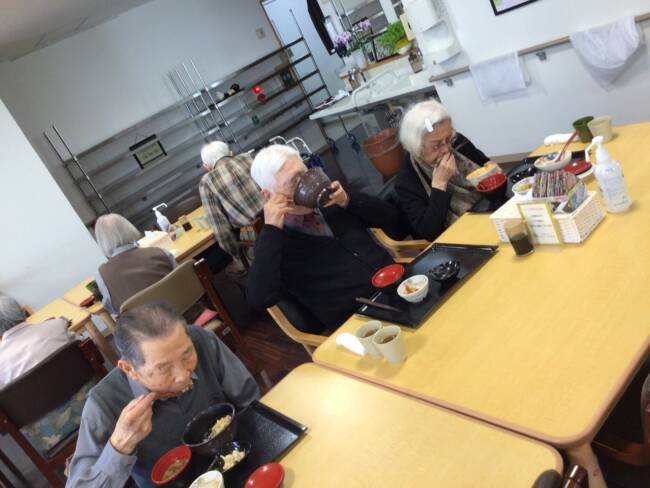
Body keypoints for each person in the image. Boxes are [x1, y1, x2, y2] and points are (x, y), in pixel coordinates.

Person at [67, 303, 259, 488]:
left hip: (238, 458)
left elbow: (251, 402)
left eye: (187, 355)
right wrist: (120, 446)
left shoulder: (200, 339)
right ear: (130, 369)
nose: (183, 376)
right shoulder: (103, 404)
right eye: (164, 368)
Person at [246, 144, 402, 332]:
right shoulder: (276, 241)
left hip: (397, 283)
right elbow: (260, 298)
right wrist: (271, 230)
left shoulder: (332, 201)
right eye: (294, 181)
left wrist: (348, 200)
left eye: (305, 173)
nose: (307, 183)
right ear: (268, 195)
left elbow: (392, 218)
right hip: (358, 320)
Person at [395, 100, 502, 241]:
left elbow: (495, 187)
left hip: (490, 213)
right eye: (436, 145)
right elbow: (429, 232)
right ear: (417, 147)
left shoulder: (457, 142)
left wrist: (494, 175)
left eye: (448, 138)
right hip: (460, 237)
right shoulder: (406, 180)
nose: (446, 149)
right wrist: (439, 185)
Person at [199, 141, 265, 270]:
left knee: (231, 270)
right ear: (231, 153)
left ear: (206, 167)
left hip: (253, 235)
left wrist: (237, 255)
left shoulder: (207, 182)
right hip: (281, 220)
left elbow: (222, 231)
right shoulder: (249, 157)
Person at [94, 214, 177, 315]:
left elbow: (114, 309)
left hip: (144, 324)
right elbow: (181, 278)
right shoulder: (160, 252)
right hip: (180, 311)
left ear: (102, 241)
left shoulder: (102, 275)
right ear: (128, 228)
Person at [0, 295, 75, 388]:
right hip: (85, 386)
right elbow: (82, 346)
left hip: (44, 397)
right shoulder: (57, 325)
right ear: (23, 312)